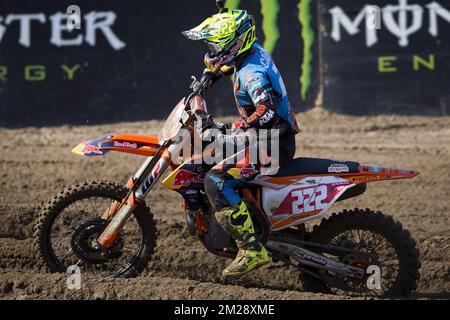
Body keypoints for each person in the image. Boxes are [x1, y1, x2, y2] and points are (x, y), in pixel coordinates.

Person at [182, 8, 300, 278]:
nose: (211, 49)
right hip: (266, 137)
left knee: (215, 179)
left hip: (272, 143)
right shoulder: (251, 52)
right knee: (205, 156)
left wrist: (227, 128)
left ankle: (251, 248)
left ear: (234, 42)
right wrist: (213, 76)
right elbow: (232, 62)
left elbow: (266, 111)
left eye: (215, 44)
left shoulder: (252, 73)